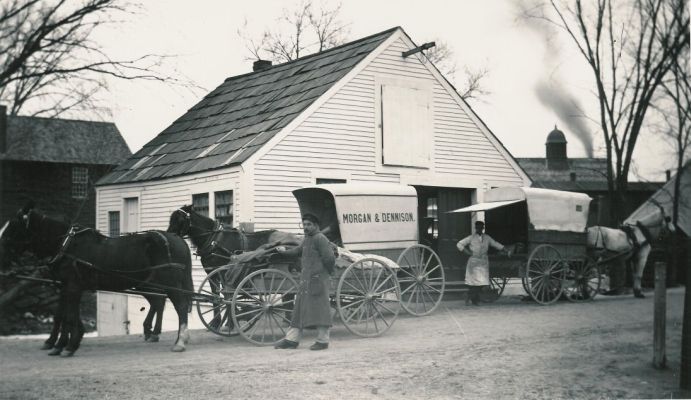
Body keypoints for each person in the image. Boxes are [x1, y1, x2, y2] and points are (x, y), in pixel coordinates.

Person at [274, 213, 335, 350]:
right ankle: (291, 340)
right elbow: (297, 251)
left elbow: (329, 258)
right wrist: (284, 251)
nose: (306, 227)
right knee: (299, 309)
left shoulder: (320, 238)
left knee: (321, 311)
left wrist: (325, 274)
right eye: (304, 224)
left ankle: (323, 341)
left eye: (309, 225)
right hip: (306, 281)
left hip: (318, 281)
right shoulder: (307, 239)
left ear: (316, 225)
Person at [457, 220, 508, 306]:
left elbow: (495, 244)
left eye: (481, 228)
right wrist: (468, 252)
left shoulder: (487, 238)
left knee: (482, 283)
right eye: (478, 228)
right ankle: (474, 299)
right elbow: (459, 244)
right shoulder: (471, 237)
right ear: (476, 228)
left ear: (483, 228)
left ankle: (469, 296)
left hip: (483, 263)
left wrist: (504, 249)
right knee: (474, 283)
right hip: (474, 262)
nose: (480, 229)